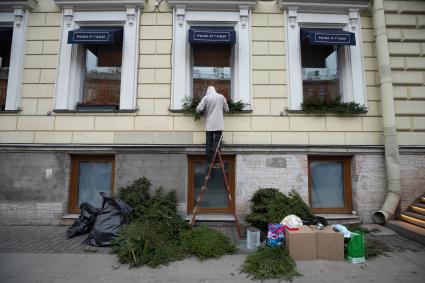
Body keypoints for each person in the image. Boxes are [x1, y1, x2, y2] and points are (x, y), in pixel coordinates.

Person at [196, 86, 229, 166]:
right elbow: (227, 109)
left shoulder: (206, 98)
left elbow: (198, 109)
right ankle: (215, 159)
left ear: (208, 91)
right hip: (219, 124)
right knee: (217, 142)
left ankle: (209, 159)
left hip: (209, 124)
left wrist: (203, 110)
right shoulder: (221, 97)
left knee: (209, 142)